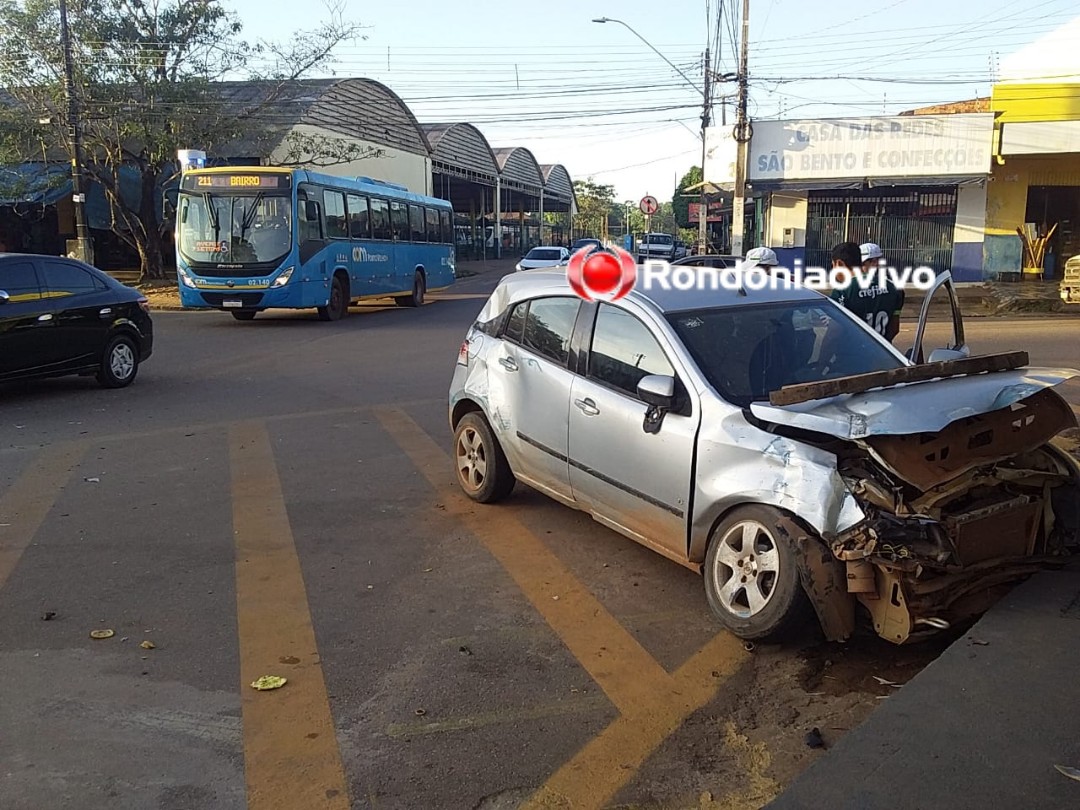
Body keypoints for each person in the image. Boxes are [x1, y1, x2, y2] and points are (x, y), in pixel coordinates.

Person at [827, 241, 904, 342]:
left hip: (852, 354)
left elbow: (834, 332)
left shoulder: (842, 291)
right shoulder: (894, 288)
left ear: (839, 263)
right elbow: (894, 329)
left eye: (833, 266)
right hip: (882, 352)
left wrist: (821, 357)